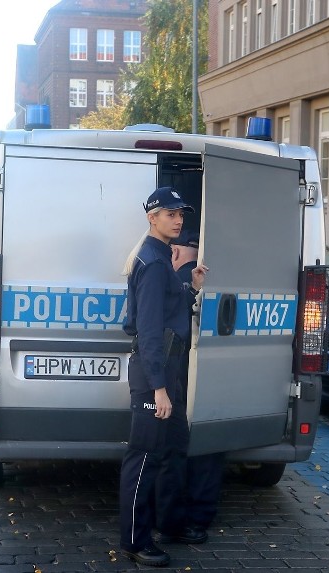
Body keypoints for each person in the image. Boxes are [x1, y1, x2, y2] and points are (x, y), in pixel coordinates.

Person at [119, 186, 208, 567]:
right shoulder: (155, 262)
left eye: (181, 213)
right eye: (170, 213)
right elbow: (150, 330)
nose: (178, 219)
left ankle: (171, 523)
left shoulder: (159, 258)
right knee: (144, 459)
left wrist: (191, 288)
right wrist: (159, 388)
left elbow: (169, 309)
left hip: (166, 370)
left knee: (174, 448)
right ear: (152, 217)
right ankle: (135, 541)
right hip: (155, 373)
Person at [154, 230, 225, 546]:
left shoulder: (172, 277)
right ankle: (197, 518)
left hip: (175, 375)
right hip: (209, 372)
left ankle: (172, 520)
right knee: (208, 447)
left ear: (177, 252)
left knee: (173, 448)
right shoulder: (209, 277)